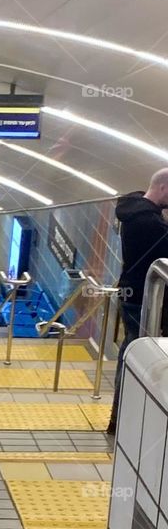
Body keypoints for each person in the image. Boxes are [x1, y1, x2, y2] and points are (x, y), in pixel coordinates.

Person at [107, 168, 168, 433]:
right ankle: (126, 419)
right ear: (164, 187)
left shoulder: (132, 211)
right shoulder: (149, 223)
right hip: (144, 300)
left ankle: (120, 417)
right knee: (137, 357)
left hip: (132, 294)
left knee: (129, 353)